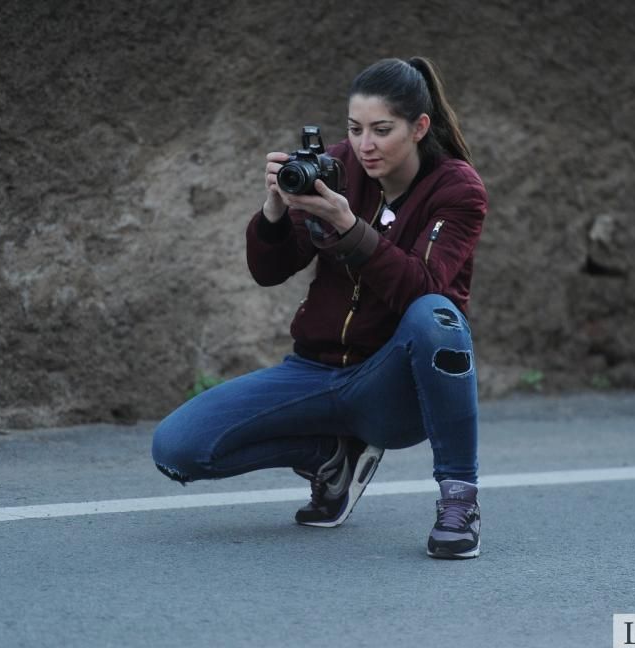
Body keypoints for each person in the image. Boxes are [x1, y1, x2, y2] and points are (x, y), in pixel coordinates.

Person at [152, 57, 487, 559]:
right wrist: (273, 213)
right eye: (354, 129)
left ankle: (459, 501)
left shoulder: (457, 190)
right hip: (315, 371)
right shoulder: (337, 169)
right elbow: (268, 271)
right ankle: (331, 457)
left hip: (389, 388)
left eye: (381, 130)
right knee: (177, 448)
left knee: (436, 317)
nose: (364, 145)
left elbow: (424, 286)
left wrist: (350, 229)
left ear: (419, 127)